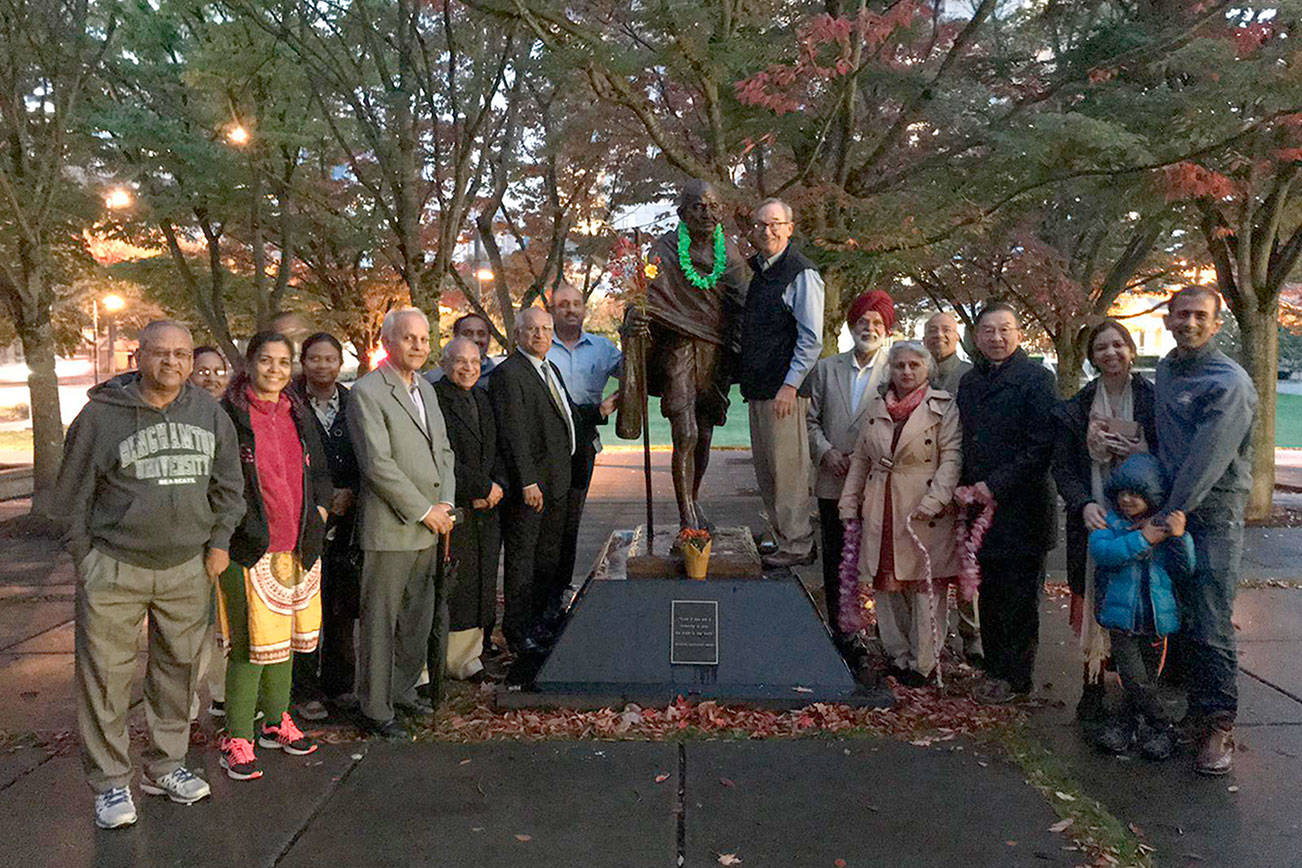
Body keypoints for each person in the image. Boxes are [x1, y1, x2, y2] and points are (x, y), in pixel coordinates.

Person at [56, 320, 244, 828]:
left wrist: (220, 541)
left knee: (179, 675)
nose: (174, 364)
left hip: (187, 565)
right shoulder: (100, 417)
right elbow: (71, 494)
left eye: (182, 354)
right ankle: (110, 784)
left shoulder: (208, 413)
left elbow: (229, 486)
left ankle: (166, 767)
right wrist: (85, 557)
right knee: (105, 679)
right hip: (115, 566)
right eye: (161, 354)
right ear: (139, 357)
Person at [215, 332, 332, 781]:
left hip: (298, 545)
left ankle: (274, 720)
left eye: (284, 363)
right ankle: (237, 735)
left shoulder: (297, 413)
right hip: (249, 548)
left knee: (284, 640)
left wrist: (318, 513)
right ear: (249, 363)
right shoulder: (229, 416)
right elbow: (221, 483)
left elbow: (321, 472)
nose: (276, 371)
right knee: (249, 645)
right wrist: (237, 534)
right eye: (267, 361)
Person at [1155, 285, 1256, 775]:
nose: (1189, 323)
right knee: (1178, 617)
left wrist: (1169, 514)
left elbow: (1207, 460)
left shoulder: (1228, 382)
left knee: (1211, 620)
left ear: (1217, 324)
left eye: (1200, 316)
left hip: (1210, 515)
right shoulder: (1168, 369)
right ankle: (1190, 711)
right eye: (1181, 314)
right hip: (1172, 511)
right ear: (1169, 320)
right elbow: (1167, 440)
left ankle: (1219, 725)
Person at [347, 308, 457, 741]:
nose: (418, 345)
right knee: (380, 621)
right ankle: (375, 708)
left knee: (417, 616)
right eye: (408, 338)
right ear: (387, 342)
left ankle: (403, 689)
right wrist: (422, 509)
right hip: (392, 528)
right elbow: (377, 464)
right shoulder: (368, 392)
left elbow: (443, 450)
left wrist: (444, 502)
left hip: (431, 525)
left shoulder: (427, 390)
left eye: (424, 338)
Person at [1051, 320, 1157, 724]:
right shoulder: (1077, 407)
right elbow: (1063, 466)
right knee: (1095, 600)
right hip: (1094, 517)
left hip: (1141, 519)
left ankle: (1139, 695)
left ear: (1130, 350)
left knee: (1138, 603)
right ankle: (1092, 683)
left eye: (1117, 345)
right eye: (1100, 348)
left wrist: (1143, 451)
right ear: (1091, 357)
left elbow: (1168, 459)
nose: (1110, 353)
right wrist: (1081, 504)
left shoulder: (1151, 401)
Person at [838, 342, 961, 686]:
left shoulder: (942, 407)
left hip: (923, 510)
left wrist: (936, 498)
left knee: (924, 590)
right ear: (890, 370)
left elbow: (952, 457)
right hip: (881, 504)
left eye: (914, 366)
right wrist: (849, 502)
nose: (906, 372)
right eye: (899, 365)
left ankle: (924, 662)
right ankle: (898, 656)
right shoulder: (876, 407)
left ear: (927, 370)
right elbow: (861, 459)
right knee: (887, 586)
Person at [630, 179, 749, 529]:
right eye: (698, 206)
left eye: (713, 207)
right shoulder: (665, 249)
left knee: (706, 432)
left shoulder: (729, 251)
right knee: (686, 432)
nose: (707, 214)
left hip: (715, 351)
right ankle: (686, 516)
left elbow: (744, 300)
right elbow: (643, 298)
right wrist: (634, 317)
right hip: (678, 348)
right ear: (683, 213)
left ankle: (693, 500)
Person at [491, 307, 610, 657]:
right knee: (523, 562)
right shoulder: (509, 374)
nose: (540, 335)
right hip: (532, 489)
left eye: (545, 329)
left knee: (547, 561)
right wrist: (527, 481)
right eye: (531, 329)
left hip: (557, 484)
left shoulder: (549, 367)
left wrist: (600, 411)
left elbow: (567, 416)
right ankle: (517, 631)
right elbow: (513, 434)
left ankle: (540, 624)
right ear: (517, 334)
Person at [956, 302, 1057, 704]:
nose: (996, 339)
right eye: (988, 331)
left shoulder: (1036, 380)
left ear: (1019, 335)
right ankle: (995, 669)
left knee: (1019, 599)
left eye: (1005, 330)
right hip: (979, 508)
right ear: (977, 337)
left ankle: (1016, 677)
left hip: (1023, 507)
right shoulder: (970, 382)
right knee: (990, 595)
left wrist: (994, 485)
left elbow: (1041, 447)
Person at [803, 290, 894, 661]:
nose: (868, 328)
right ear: (851, 325)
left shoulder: (895, 370)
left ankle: (884, 633)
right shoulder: (827, 369)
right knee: (837, 557)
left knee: (876, 560)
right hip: (833, 480)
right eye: (862, 322)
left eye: (876, 323)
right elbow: (810, 422)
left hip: (876, 483)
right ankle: (842, 632)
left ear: (886, 329)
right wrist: (826, 452)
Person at [1088, 454, 1191, 761]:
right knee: (1133, 678)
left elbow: (1186, 567)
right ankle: (1166, 726)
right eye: (1123, 493)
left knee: (1146, 680)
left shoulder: (1163, 529)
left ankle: (1128, 724)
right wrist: (1143, 539)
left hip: (1157, 621)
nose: (1128, 500)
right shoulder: (1111, 524)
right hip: (1123, 620)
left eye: (1136, 494)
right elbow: (1105, 552)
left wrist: (1179, 537)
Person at [740, 197, 824, 568]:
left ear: (790, 228)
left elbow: (811, 338)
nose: (767, 231)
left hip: (785, 392)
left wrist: (790, 386)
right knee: (768, 472)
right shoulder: (759, 272)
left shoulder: (800, 273)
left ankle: (799, 543)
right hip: (759, 389)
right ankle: (781, 537)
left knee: (789, 473)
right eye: (760, 225)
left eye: (775, 224)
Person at [292, 333, 362, 717]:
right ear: (303, 362)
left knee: (341, 604)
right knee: (305, 604)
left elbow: (365, 452)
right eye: (314, 359)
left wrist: (351, 491)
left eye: (330, 359)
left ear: (340, 363)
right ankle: (305, 690)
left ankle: (341, 685)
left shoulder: (353, 402)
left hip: (349, 515)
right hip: (305, 516)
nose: (322, 366)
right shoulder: (289, 402)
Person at [433, 338, 505, 682]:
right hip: (456, 505)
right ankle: (446, 660)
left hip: (487, 506)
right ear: (445, 364)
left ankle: (471, 658)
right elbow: (441, 458)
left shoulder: (482, 397)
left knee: (482, 582)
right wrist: (478, 488)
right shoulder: (435, 399)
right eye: (460, 361)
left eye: (475, 361)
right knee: (457, 585)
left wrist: (496, 488)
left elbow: (497, 448)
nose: (468, 368)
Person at [548, 282, 622, 589]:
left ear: (584, 309)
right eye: (563, 304)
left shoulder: (603, 349)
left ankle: (562, 587)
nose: (570, 309)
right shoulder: (541, 344)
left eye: (576, 304)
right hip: (547, 443)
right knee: (546, 522)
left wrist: (617, 400)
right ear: (552, 309)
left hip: (583, 444)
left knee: (570, 522)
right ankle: (541, 595)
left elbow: (638, 373)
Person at [923, 311, 982, 664]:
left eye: (946, 330)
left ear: (957, 335)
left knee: (964, 562)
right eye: (932, 330)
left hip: (960, 481)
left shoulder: (969, 377)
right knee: (927, 563)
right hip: (918, 482)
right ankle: (930, 634)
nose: (939, 336)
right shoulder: (912, 371)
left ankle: (972, 633)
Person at [187, 344, 233, 721]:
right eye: (203, 370)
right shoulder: (181, 414)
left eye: (219, 370)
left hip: (226, 532)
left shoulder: (233, 414)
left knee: (223, 624)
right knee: (190, 628)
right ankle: (181, 706)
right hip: (189, 535)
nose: (212, 378)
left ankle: (221, 694)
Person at [426, 313, 500, 384]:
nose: (475, 339)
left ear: (489, 338)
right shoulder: (432, 379)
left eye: (481, 334)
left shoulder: (500, 376)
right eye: (468, 334)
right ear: (455, 336)